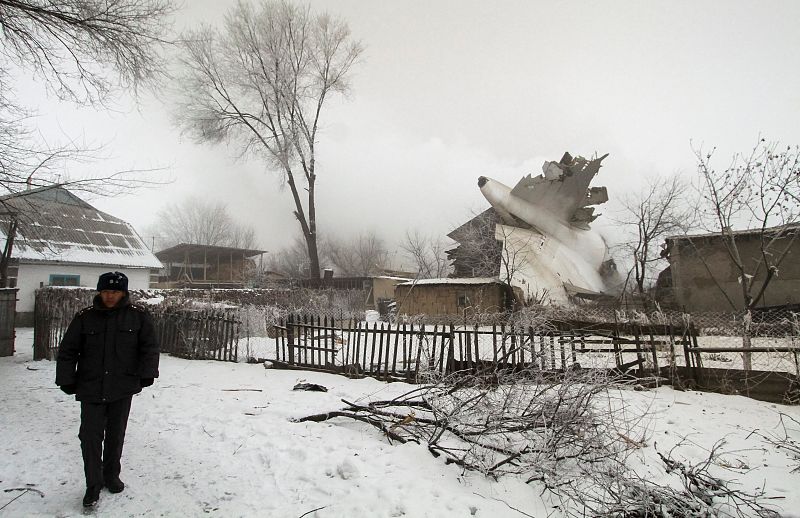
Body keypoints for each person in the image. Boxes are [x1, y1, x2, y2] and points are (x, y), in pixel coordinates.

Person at [55, 271, 159, 508]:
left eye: (115, 291)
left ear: (124, 293)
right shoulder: (85, 318)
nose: (110, 296)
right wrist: (66, 378)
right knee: (90, 437)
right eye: (106, 291)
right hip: (91, 386)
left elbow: (149, 347)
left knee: (115, 435)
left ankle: (111, 475)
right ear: (99, 292)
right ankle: (92, 484)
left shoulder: (138, 317)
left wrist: (147, 373)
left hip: (122, 386)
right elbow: (68, 350)